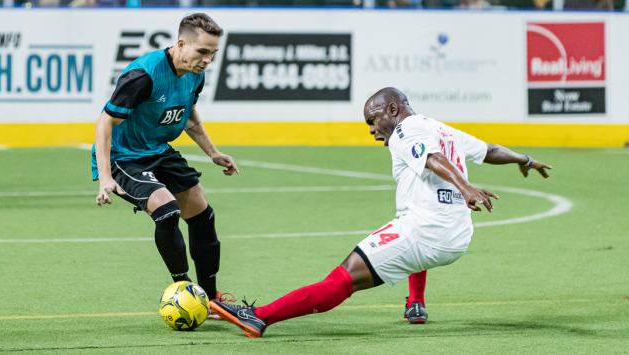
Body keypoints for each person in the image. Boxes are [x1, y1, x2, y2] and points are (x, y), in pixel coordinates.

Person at [210, 87, 552, 338]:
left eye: (372, 120)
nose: (372, 130)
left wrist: (465, 187)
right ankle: (414, 302)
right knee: (404, 231)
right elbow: (489, 149)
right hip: (455, 235)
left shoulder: (407, 130)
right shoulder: (439, 127)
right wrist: (526, 160)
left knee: (344, 277)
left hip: (428, 229)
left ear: (391, 109)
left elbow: (432, 159)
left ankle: (259, 317)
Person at [92, 13, 238, 316]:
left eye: (213, 53)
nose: (208, 60)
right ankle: (184, 292)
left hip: (158, 149)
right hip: (124, 157)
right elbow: (105, 122)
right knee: (167, 210)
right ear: (181, 44)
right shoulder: (144, 76)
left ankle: (211, 300)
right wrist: (105, 177)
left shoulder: (195, 72)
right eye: (202, 52)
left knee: (203, 215)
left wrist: (213, 153)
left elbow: (190, 114)